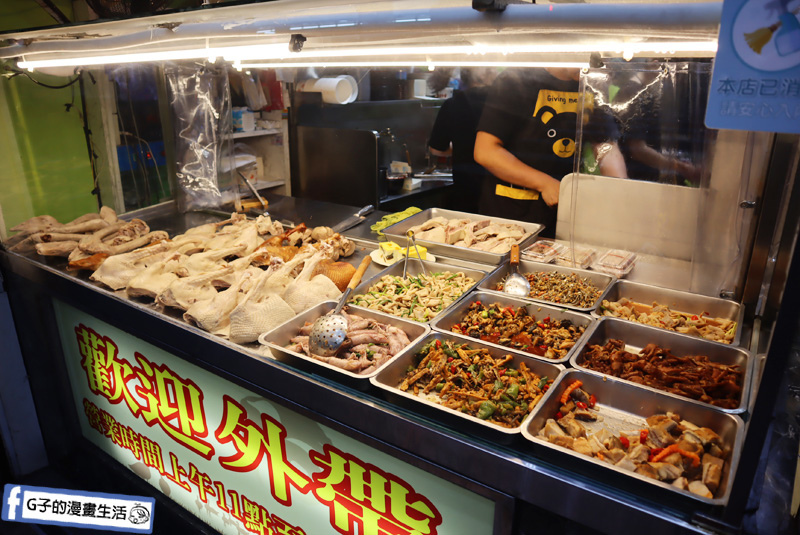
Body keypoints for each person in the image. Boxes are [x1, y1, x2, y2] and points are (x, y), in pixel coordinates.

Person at [474, 67, 627, 237]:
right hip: (511, 216)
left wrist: (621, 194)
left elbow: (606, 145)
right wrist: (545, 183)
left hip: (566, 214)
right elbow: (486, 150)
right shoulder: (515, 80)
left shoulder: (591, 83)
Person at [427, 67, 497, 214]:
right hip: (498, 189)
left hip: (465, 188)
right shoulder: (501, 103)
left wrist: (461, 148)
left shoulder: (452, 104)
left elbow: (436, 149)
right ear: (484, 73)